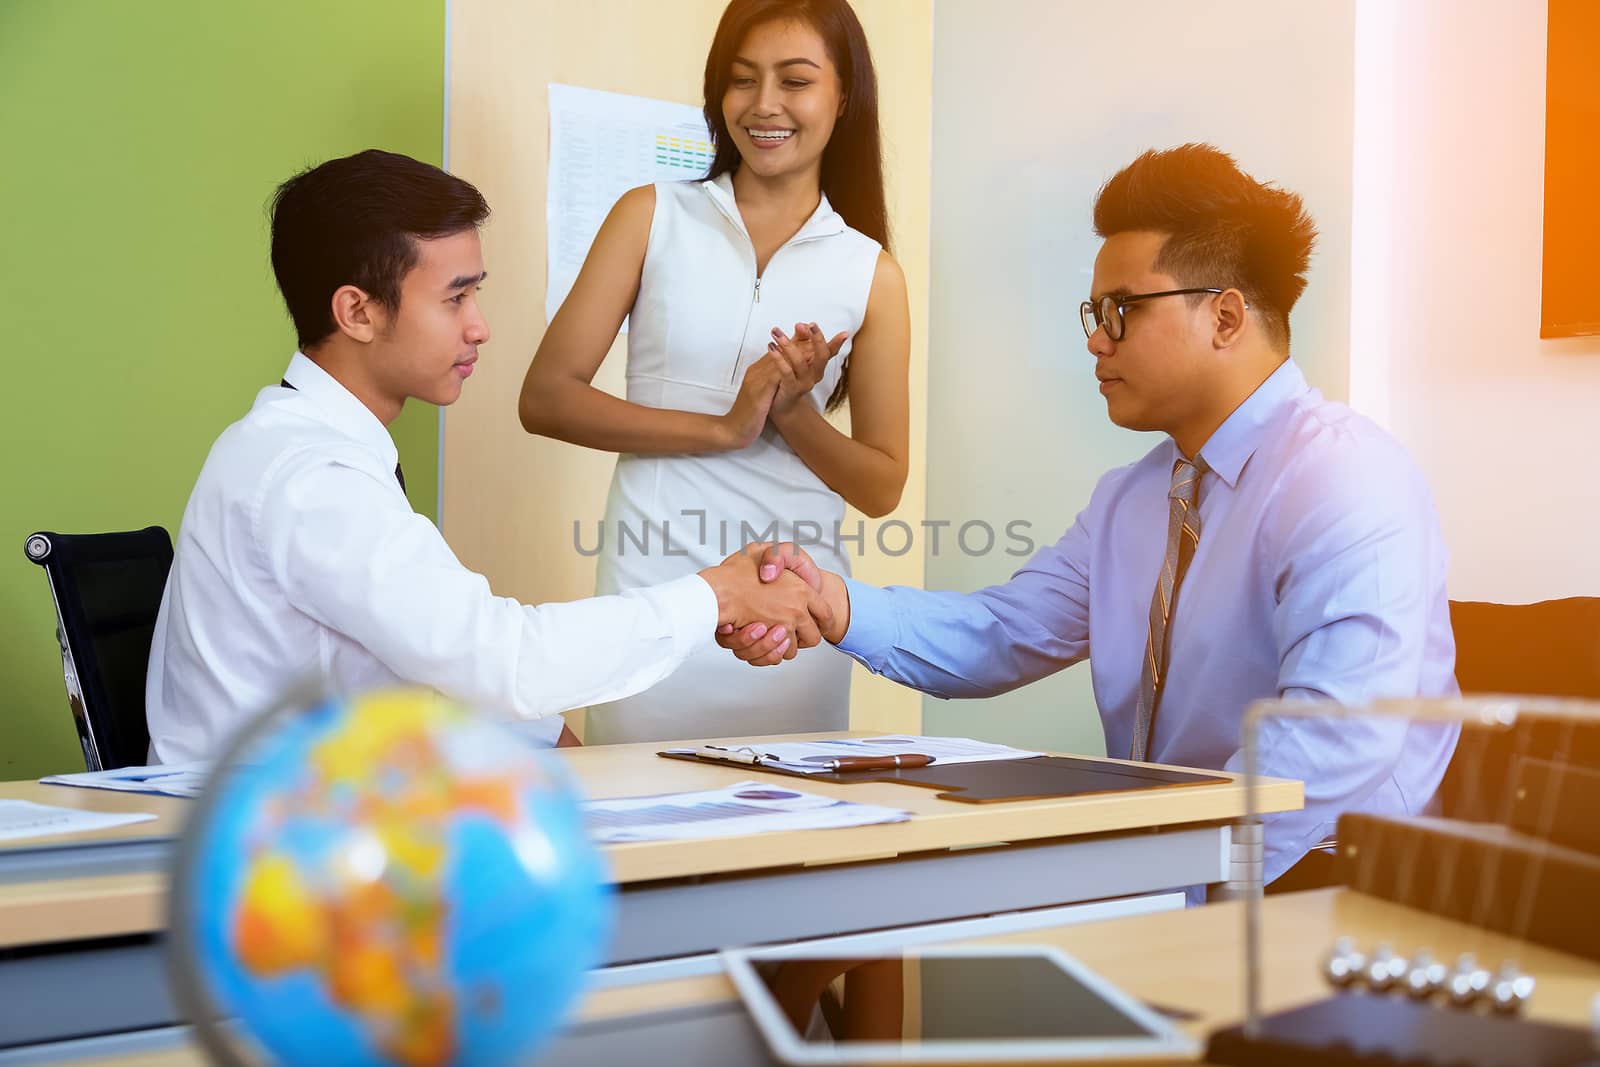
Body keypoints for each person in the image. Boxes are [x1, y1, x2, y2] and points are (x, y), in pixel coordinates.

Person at [724, 144, 1460, 889]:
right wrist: (835, 602)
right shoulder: (1132, 498)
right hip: (1185, 860)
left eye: (1121, 311)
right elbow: (999, 633)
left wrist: (1168, 883)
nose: (1094, 339)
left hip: (1335, 888)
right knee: (867, 881)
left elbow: (1334, 743)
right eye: (1094, 311)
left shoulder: (1343, 476)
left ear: (1226, 317)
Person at [145, 149, 825, 764]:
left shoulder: (306, 447)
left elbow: (430, 665)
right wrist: (718, 594)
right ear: (357, 312)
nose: (480, 326)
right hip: (265, 864)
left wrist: (540, 731)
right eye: (455, 297)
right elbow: (503, 657)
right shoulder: (311, 479)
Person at [519, 0, 911, 745]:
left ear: (843, 96)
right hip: (654, 608)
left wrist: (791, 413)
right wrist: (724, 427)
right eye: (742, 80)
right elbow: (547, 398)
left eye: (794, 81)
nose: (764, 105)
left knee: (791, 844)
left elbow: (881, 483)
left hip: (793, 622)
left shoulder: (872, 274)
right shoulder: (651, 216)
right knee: (639, 837)